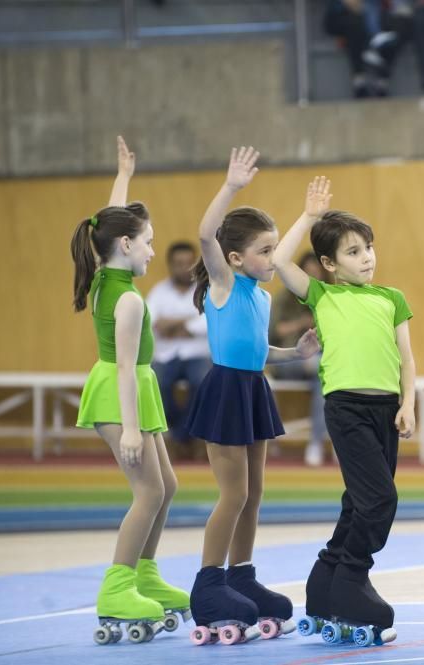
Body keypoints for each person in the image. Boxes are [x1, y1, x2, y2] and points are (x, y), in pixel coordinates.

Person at [185, 146, 320, 640]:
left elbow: (257, 351)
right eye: (265, 251)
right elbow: (205, 233)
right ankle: (208, 584)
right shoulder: (224, 282)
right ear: (236, 257)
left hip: (253, 389)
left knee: (255, 494)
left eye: (275, 248)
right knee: (234, 493)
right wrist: (232, 187)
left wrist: (295, 353)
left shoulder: (262, 297)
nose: (273, 257)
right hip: (225, 391)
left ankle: (241, 576)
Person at [274, 176, 415, 639]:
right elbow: (279, 260)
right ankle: (353, 577)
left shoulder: (391, 299)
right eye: (354, 252)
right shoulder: (322, 295)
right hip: (346, 408)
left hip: (386, 408)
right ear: (330, 265)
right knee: (380, 500)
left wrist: (408, 403)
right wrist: (311, 216)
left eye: (369, 247)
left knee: (359, 502)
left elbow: (407, 359)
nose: (367, 257)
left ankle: (324, 581)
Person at [71, 136, 190, 643]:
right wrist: (133, 432)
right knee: (148, 490)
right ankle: (118, 586)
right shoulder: (131, 302)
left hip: (134, 386)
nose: (151, 249)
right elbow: (123, 368)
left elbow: (110, 221)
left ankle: (144, 575)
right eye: (147, 241)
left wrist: (123, 176)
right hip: (120, 391)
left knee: (169, 487)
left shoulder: (105, 274)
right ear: (125, 246)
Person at [146, 241, 212, 458]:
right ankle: (183, 434)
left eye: (188, 263)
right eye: (178, 263)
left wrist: (174, 324)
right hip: (165, 355)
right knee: (157, 383)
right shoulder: (159, 291)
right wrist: (189, 320)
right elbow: (153, 323)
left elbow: (208, 324)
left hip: (198, 355)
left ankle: (179, 437)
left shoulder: (207, 290)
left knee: (203, 384)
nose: (184, 267)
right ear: (170, 265)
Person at [269, 251, 330, 467]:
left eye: (317, 274)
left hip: (322, 362)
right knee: (325, 370)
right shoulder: (284, 298)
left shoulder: (329, 297)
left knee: (324, 382)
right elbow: (273, 332)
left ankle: (316, 442)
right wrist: (302, 323)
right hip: (288, 358)